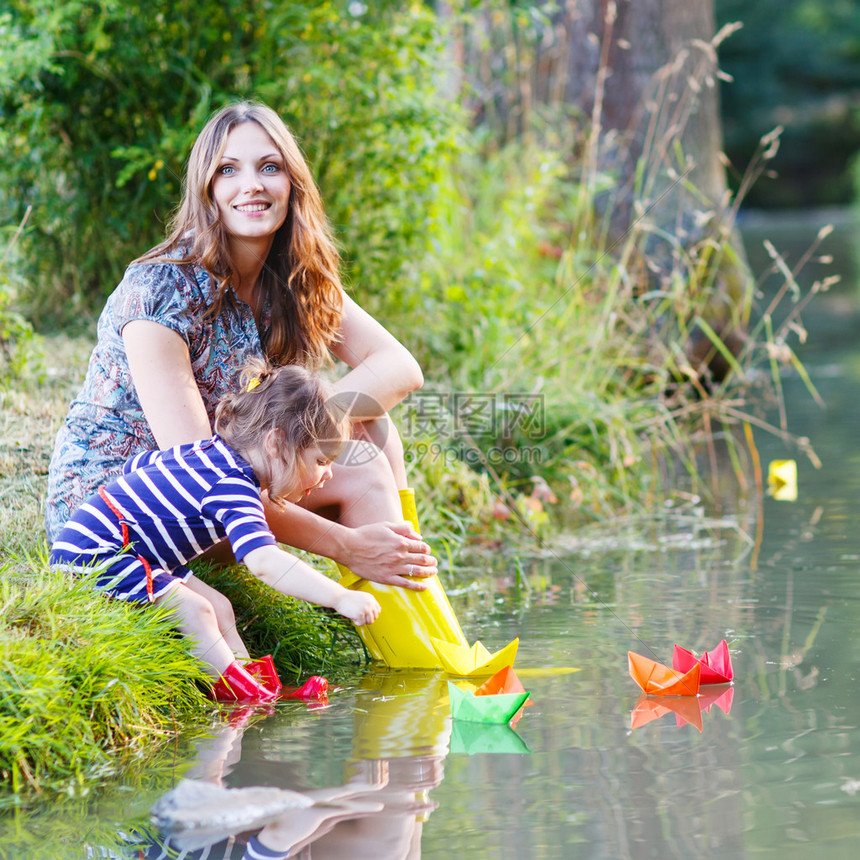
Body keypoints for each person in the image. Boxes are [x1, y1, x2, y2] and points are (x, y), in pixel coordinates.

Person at [45, 99, 435, 591]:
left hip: (220, 492)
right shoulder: (159, 292)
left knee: (372, 432)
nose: (251, 184)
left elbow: (399, 366)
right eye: (229, 169)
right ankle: (412, 633)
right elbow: (200, 478)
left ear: (292, 183)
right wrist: (343, 543)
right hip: (123, 514)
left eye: (269, 167)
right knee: (364, 463)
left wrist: (317, 421)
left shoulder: (295, 275)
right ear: (207, 189)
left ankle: (416, 633)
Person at [50, 361, 381, 701]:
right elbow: (265, 562)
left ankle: (261, 684)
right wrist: (340, 597)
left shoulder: (210, 453)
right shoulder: (234, 486)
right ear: (276, 443)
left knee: (219, 606)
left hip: (125, 547)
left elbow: (140, 464)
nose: (327, 476)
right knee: (199, 611)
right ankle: (243, 699)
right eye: (321, 461)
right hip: (97, 554)